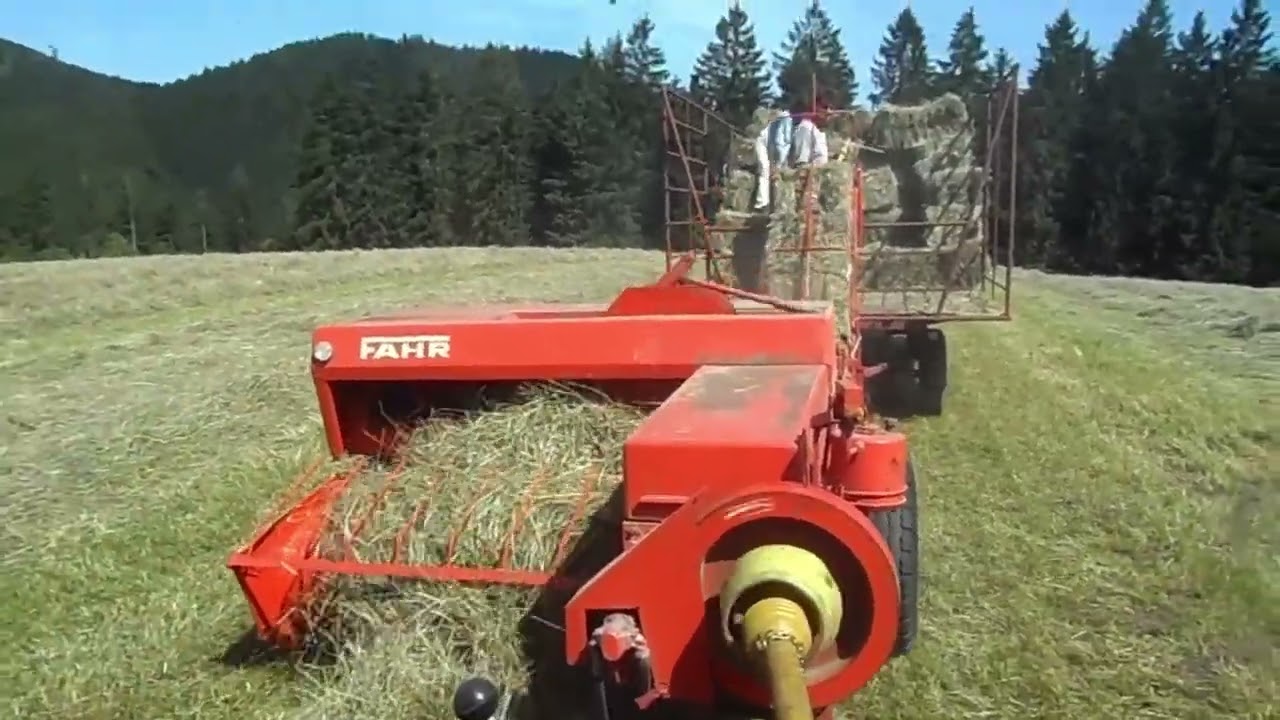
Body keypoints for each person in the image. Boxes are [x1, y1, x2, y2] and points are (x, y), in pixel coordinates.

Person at [751, 99, 806, 210]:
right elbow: (781, 141)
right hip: (766, 143)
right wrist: (779, 162)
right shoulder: (786, 120)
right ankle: (762, 203)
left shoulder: (786, 121)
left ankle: (772, 203)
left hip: (772, 146)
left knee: (773, 172)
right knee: (765, 169)